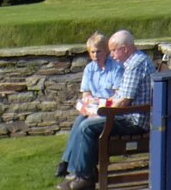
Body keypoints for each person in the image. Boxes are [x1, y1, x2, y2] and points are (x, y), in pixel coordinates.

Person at [58, 29, 154, 190]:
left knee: (87, 126)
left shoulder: (135, 66)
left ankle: (85, 177)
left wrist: (99, 112)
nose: (112, 56)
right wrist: (99, 108)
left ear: (124, 49)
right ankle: (78, 172)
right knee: (83, 119)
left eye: (114, 51)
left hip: (135, 120)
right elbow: (121, 98)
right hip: (129, 114)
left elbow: (123, 102)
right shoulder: (133, 62)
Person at [56, 32, 123, 179]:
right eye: (92, 52)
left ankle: (73, 168)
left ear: (106, 51)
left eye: (98, 51)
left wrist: (99, 105)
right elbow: (85, 93)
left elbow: (118, 95)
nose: (95, 55)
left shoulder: (116, 68)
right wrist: (90, 105)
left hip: (109, 110)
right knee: (80, 120)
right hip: (94, 108)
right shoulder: (89, 69)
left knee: (85, 124)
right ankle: (67, 162)